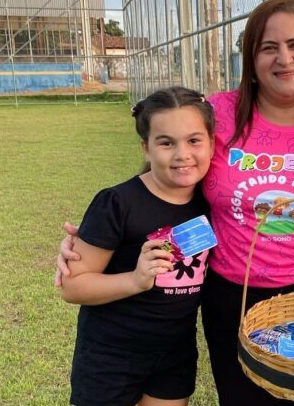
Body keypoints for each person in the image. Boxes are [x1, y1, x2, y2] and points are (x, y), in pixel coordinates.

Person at [56, 0, 294, 405]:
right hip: (231, 297)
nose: (284, 58)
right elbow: (167, 177)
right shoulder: (218, 113)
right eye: (268, 47)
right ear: (251, 57)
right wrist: (95, 241)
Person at [59, 87, 215, 406]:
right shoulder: (117, 203)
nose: (182, 154)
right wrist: (134, 280)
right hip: (111, 356)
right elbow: (72, 287)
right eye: (166, 142)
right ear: (146, 147)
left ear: (212, 143)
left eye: (194, 140)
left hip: (175, 353)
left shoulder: (214, 202)